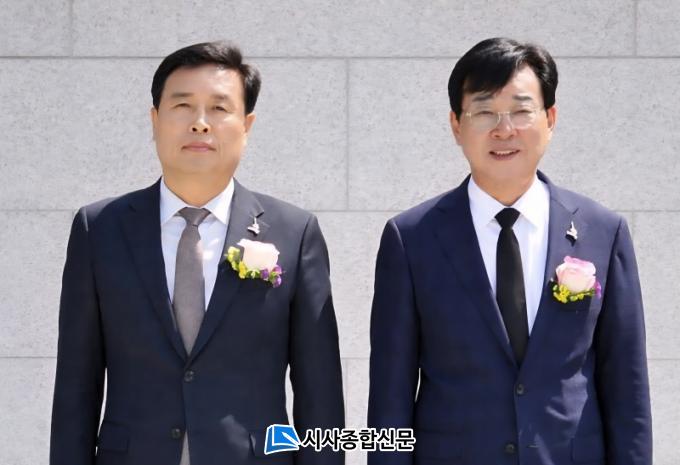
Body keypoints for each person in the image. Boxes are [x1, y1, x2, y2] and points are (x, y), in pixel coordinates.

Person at [50, 41, 344, 465]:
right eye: (183, 105)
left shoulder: (294, 233)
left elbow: (321, 395)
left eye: (219, 108)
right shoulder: (100, 229)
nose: (200, 123)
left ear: (247, 125)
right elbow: (76, 386)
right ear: (155, 120)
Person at [368, 37, 651, 465]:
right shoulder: (411, 239)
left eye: (521, 111)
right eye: (484, 112)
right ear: (456, 125)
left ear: (550, 118)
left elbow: (627, 390)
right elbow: (389, 398)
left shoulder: (603, 232)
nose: (504, 130)